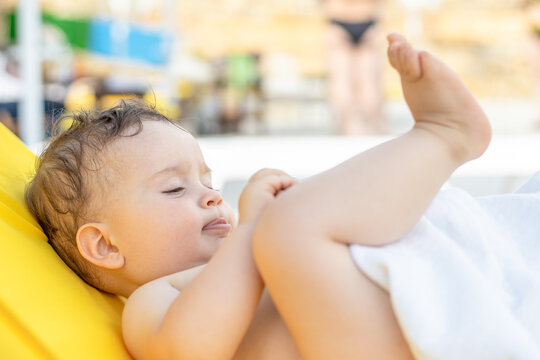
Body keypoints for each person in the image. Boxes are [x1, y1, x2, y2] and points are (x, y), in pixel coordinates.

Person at [25, 33, 519, 359]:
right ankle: (444, 136)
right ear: (106, 246)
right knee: (292, 227)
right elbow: (189, 352)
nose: (211, 198)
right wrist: (258, 229)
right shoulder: (153, 301)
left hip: (402, 319)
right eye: (175, 188)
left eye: (209, 183)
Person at [322, 0, 386, 135]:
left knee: (368, 84)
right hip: (345, 21)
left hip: (358, 20)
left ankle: (371, 128)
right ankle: (351, 129)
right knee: (344, 82)